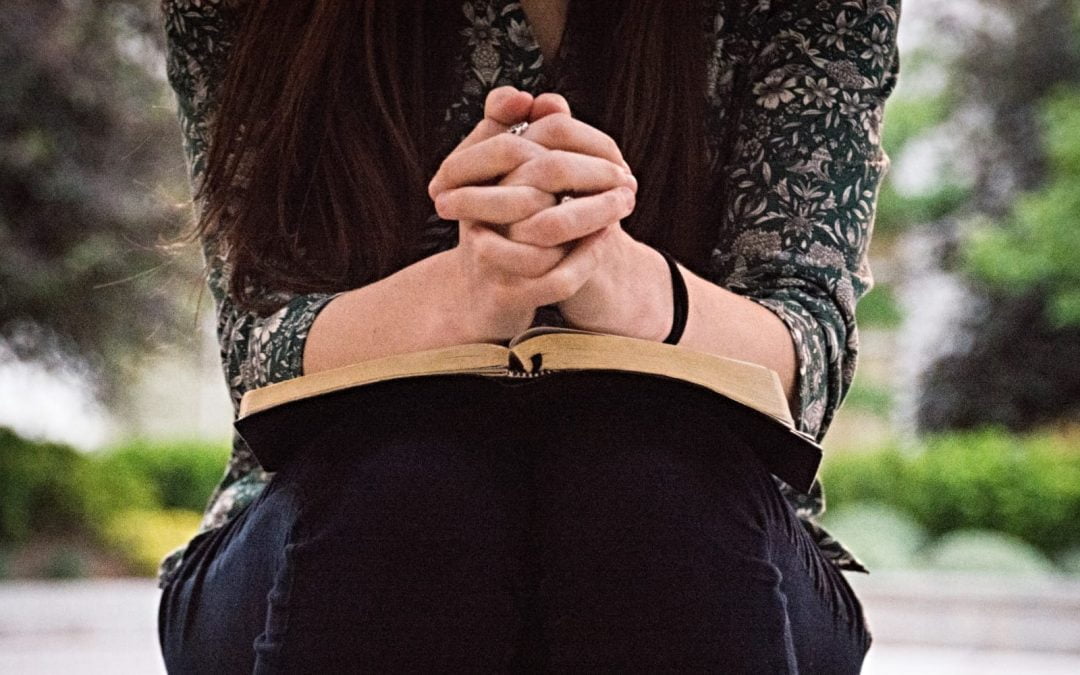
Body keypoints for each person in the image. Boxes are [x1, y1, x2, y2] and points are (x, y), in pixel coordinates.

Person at [157, 0, 900, 671]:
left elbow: (809, 357)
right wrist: (465, 290)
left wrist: (617, 276)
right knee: (411, 490)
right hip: (332, 525)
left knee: (650, 492)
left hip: (706, 536)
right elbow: (255, 350)